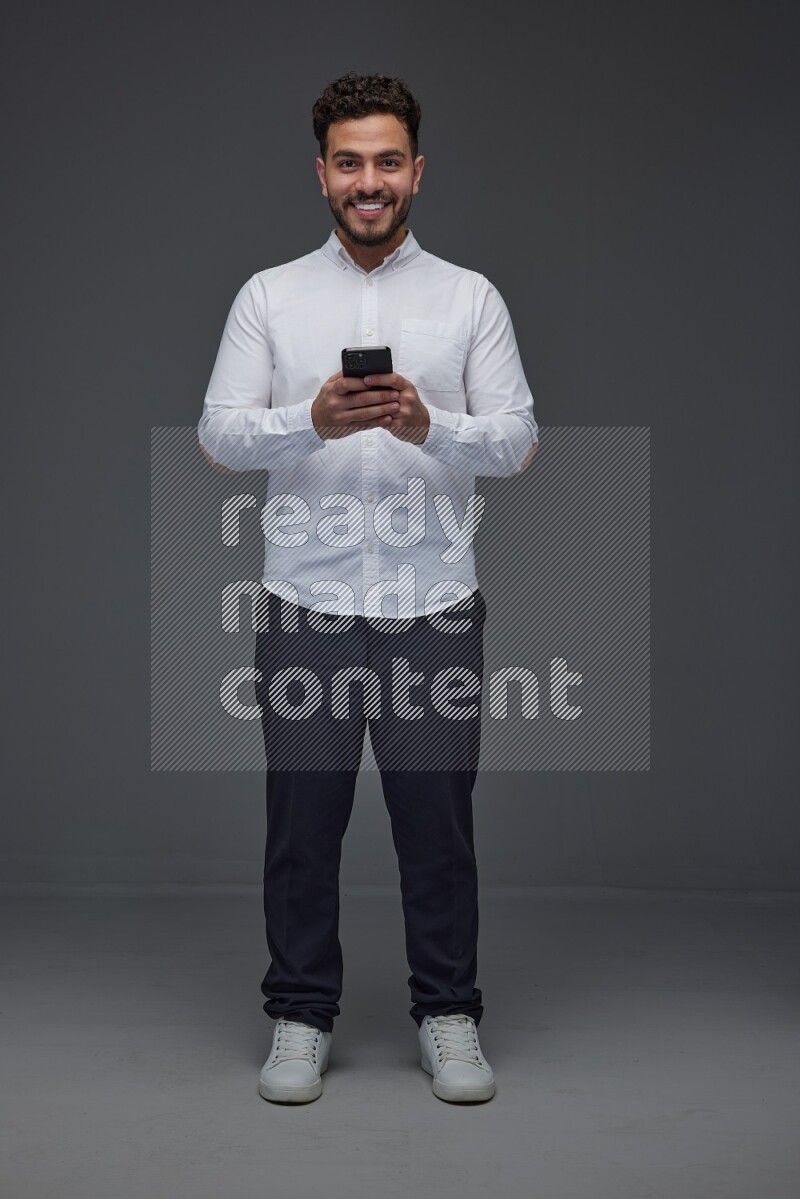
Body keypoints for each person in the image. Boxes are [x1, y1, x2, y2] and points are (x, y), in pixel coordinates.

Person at [197, 72, 539, 1105]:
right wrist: (311, 418)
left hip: (431, 604)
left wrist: (429, 425)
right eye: (348, 161)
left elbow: (518, 438)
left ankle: (447, 1012)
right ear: (320, 175)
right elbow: (218, 433)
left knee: (435, 818)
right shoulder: (269, 295)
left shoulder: (468, 296)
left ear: (416, 171)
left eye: (387, 160)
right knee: (303, 820)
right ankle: (300, 1014)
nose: (368, 180)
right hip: (306, 604)